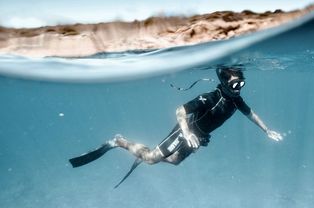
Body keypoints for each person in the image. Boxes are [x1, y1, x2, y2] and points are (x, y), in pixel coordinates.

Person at [69, 67, 283, 187]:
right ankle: (119, 141)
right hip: (185, 132)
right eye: (236, 84)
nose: (239, 89)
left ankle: (145, 153)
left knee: (173, 161)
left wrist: (267, 130)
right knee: (153, 159)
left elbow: (250, 113)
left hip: (198, 136)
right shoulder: (209, 98)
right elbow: (180, 110)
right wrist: (188, 132)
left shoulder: (236, 101)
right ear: (225, 83)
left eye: (242, 84)